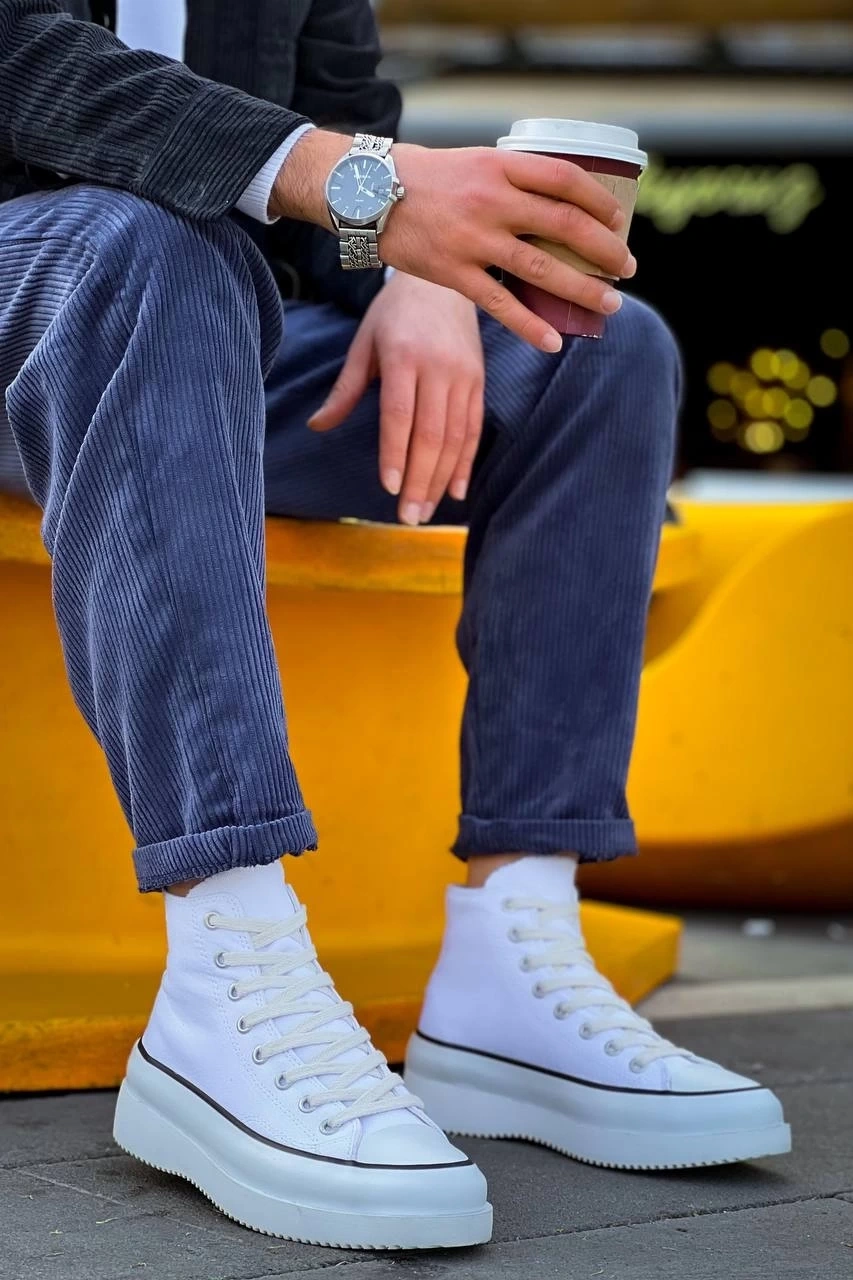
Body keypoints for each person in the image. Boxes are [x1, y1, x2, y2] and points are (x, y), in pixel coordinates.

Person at [0, 0, 790, 1253]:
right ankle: (229, 960)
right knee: (145, 248)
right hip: (60, 287)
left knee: (590, 344)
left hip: (208, 336)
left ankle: (514, 949)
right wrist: (366, 187)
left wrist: (412, 272)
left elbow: (345, 130)